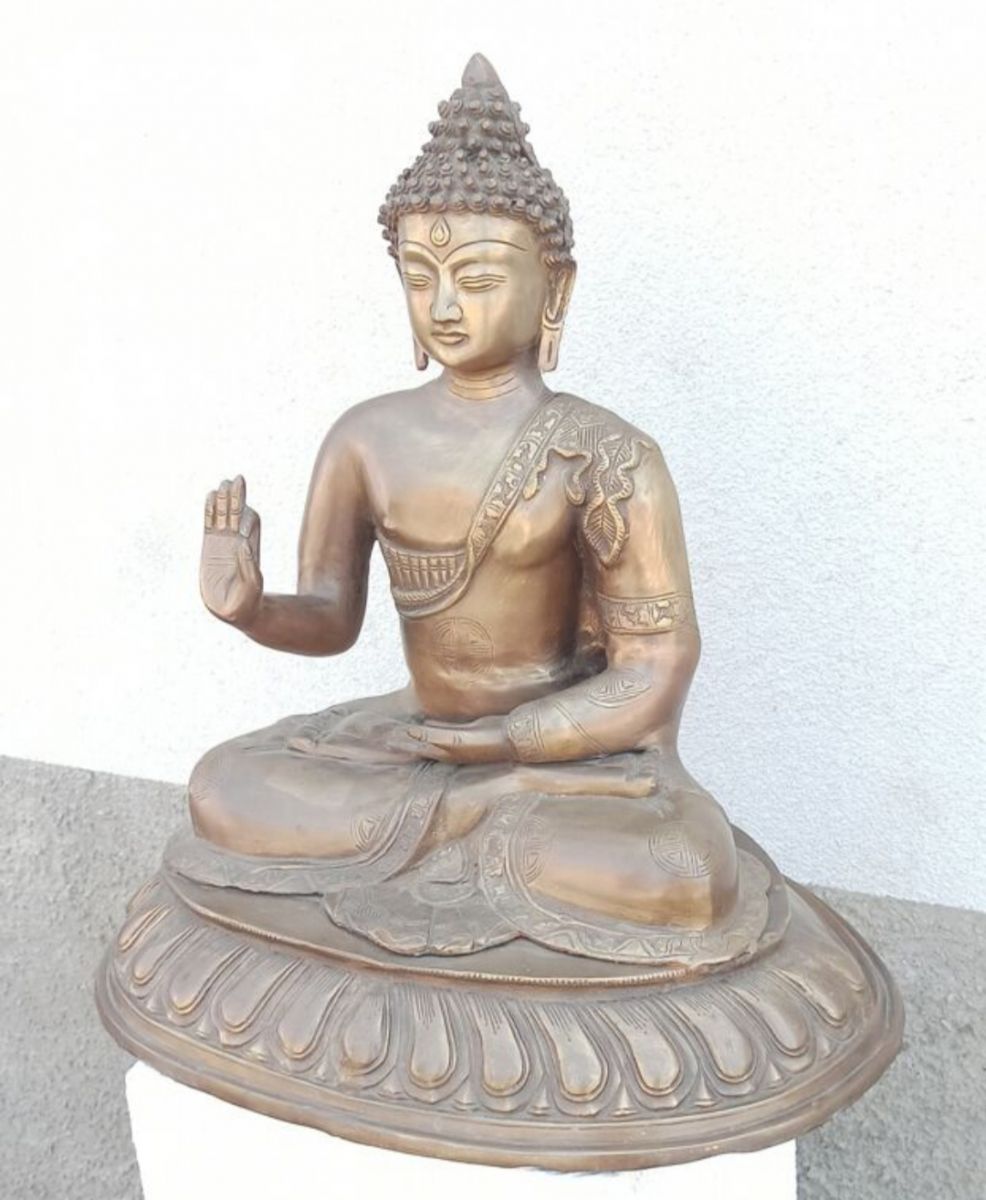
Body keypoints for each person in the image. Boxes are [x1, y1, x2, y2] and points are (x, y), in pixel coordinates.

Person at [176, 53, 739, 962]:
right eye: (419, 275)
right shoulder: (364, 438)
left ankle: (474, 810)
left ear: (555, 289)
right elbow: (330, 617)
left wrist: (509, 743)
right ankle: (471, 815)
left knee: (681, 871)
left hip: (566, 757)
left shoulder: (610, 456)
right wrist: (252, 609)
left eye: (477, 279)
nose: (443, 305)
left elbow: (656, 669)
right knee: (223, 785)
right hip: (419, 740)